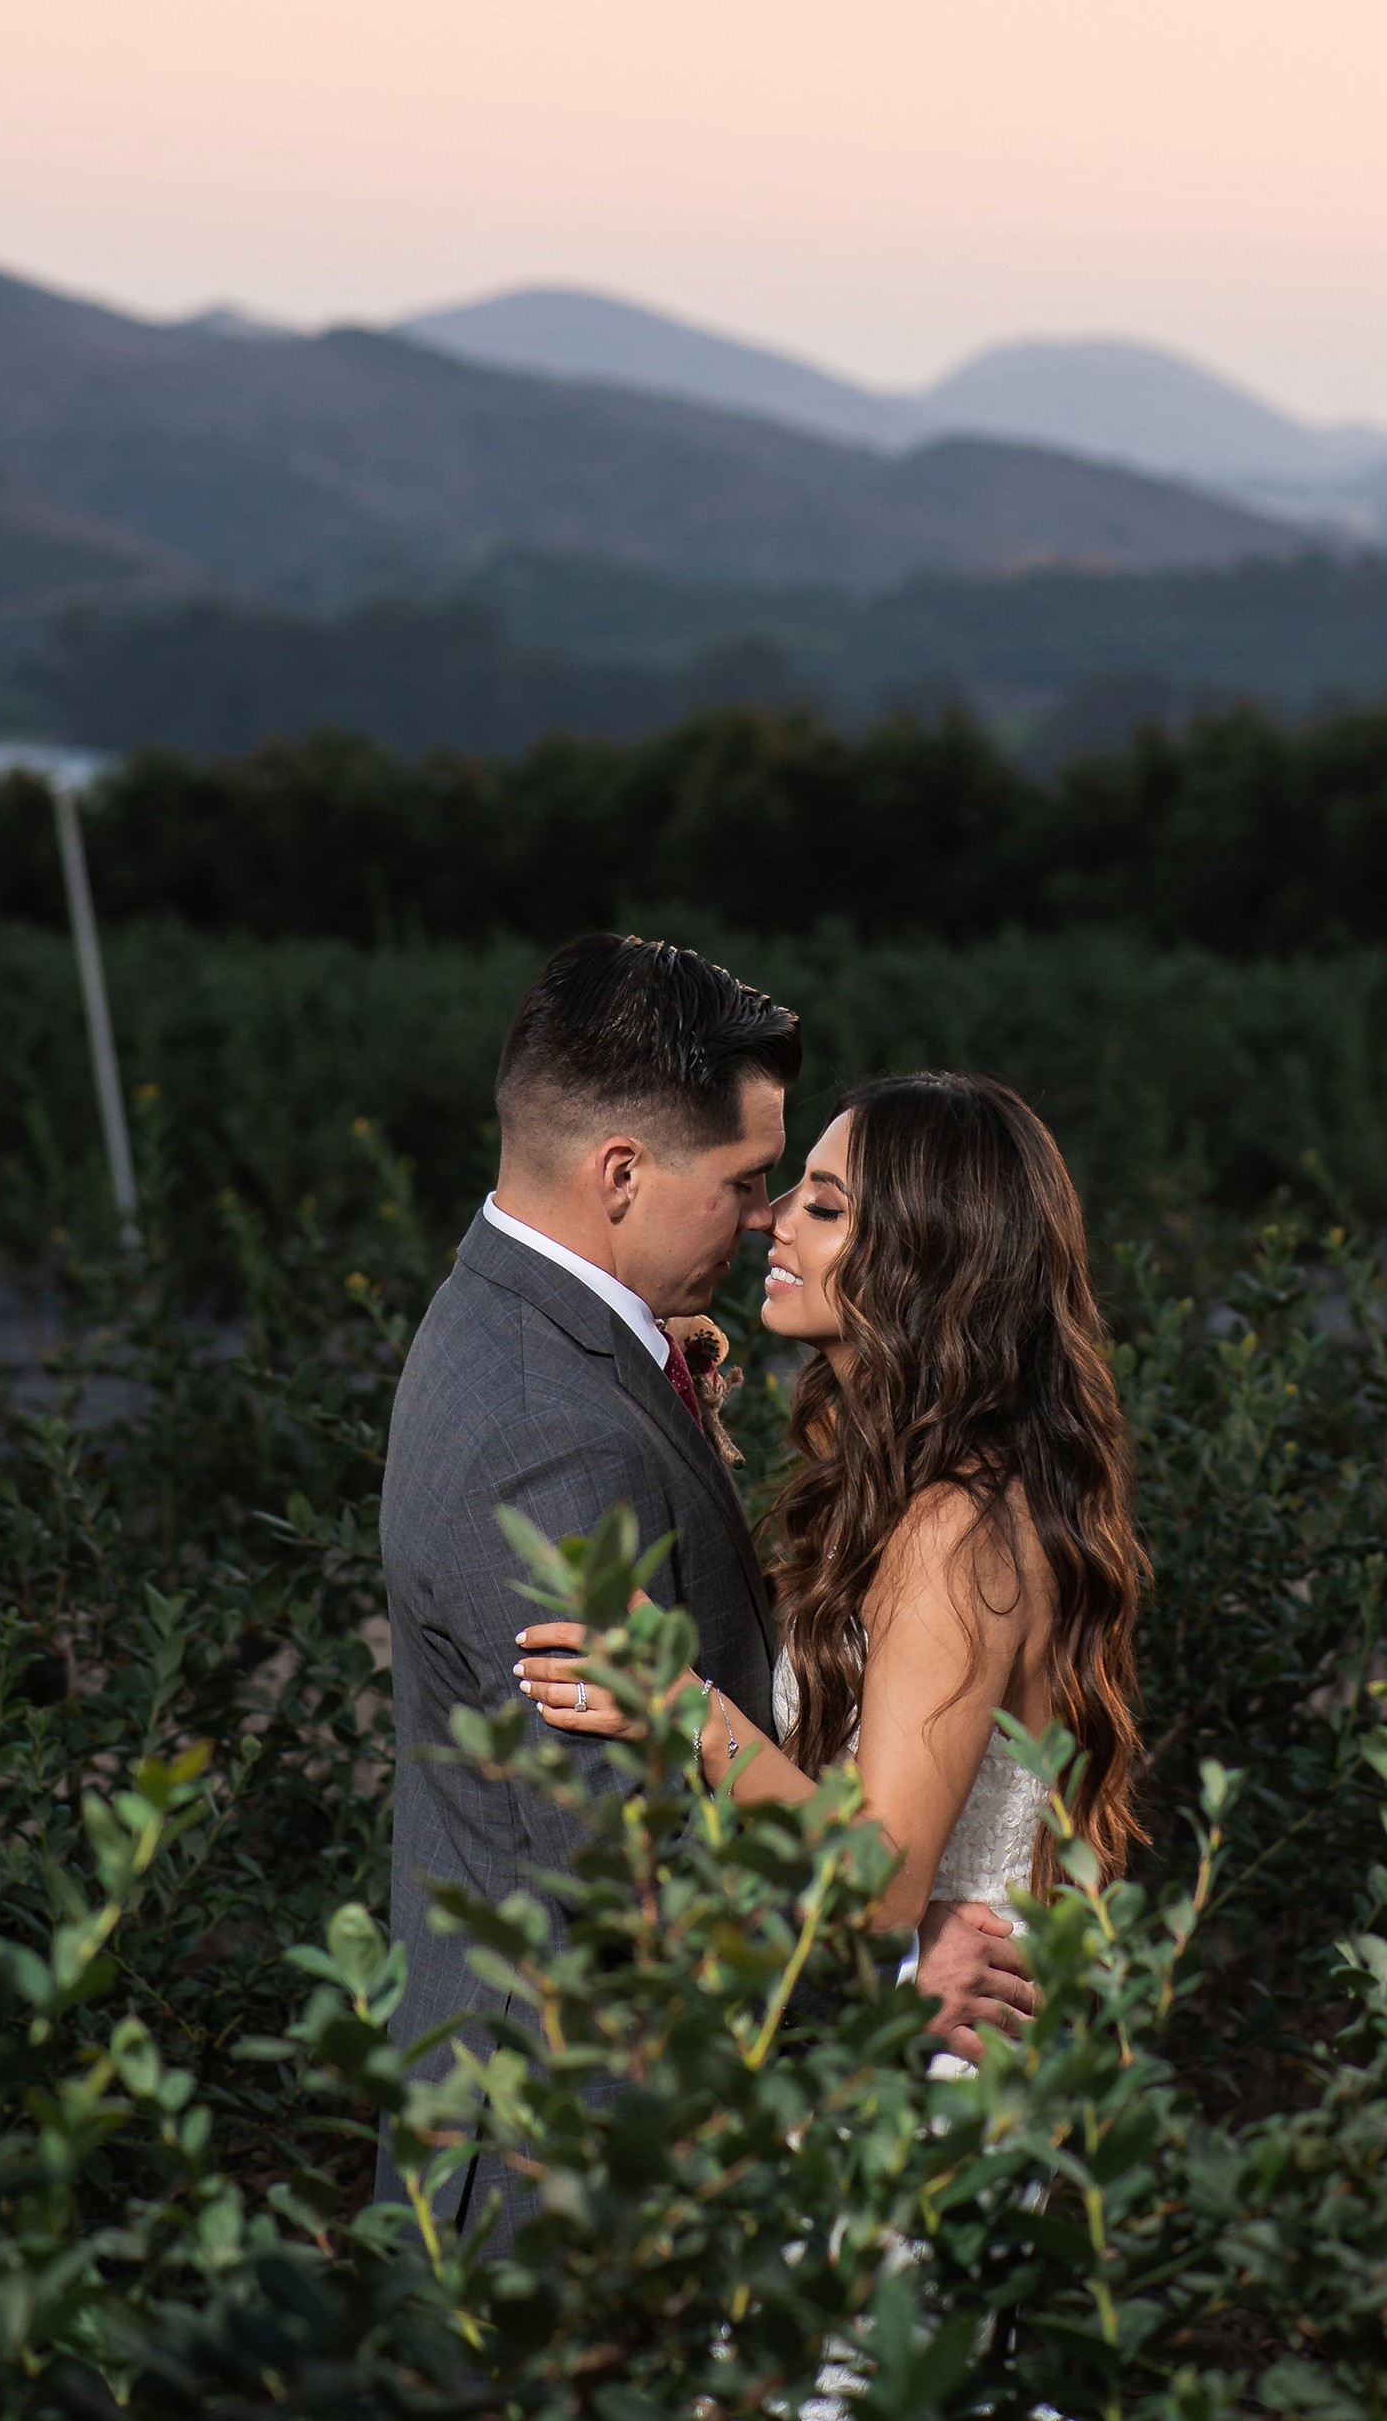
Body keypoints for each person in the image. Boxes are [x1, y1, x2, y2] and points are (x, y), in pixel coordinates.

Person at [377, 945, 1033, 2241]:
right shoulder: (550, 1428)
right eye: (747, 1182)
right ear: (619, 1171)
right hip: (574, 2153)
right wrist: (896, 1983)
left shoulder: (531, 1342)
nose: (763, 1218)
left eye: (810, 1199)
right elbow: (612, 1868)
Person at [517, 1072, 1145, 1980]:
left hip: (945, 2071)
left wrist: (681, 1710)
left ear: (924, 1257)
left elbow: (884, 1884)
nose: (770, 1219)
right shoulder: (904, 1486)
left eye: (822, 1206)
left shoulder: (956, 1529)